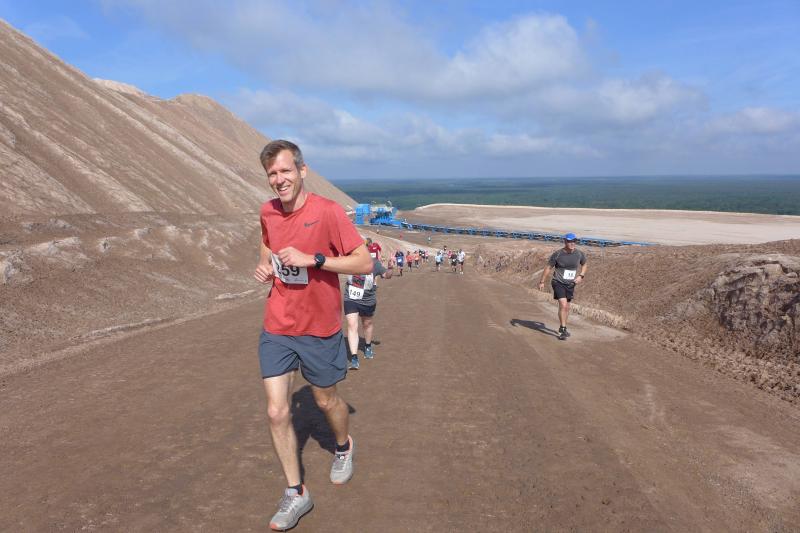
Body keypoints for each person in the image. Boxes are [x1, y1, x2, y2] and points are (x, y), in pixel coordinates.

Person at [254, 140, 373, 531]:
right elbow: (267, 241)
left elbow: (364, 261)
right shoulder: (268, 211)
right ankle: (296, 492)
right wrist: (264, 264)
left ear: (302, 171)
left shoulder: (328, 211)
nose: (279, 180)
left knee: (325, 400)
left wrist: (315, 259)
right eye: (272, 174)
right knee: (276, 411)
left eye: (285, 171)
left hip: (320, 328)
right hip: (278, 325)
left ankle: (343, 446)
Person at [344, 257, 393, 369]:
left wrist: (390, 268)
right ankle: (354, 358)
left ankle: (367, 346)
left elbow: (387, 275)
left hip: (367, 299)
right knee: (352, 325)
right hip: (350, 297)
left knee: (367, 323)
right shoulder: (349, 259)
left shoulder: (374, 263)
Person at [537, 232, 587, 341]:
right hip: (558, 282)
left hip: (571, 284)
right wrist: (542, 281)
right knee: (563, 305)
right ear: (565, 241)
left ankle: (563, 326)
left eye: (574, 241)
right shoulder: (558, 254)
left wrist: (581, 276)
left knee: (567, 307)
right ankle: (563, 329)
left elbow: (584, 264)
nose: (572, 243)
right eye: (569, 241)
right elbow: (548, 267)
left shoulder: (579, 254)